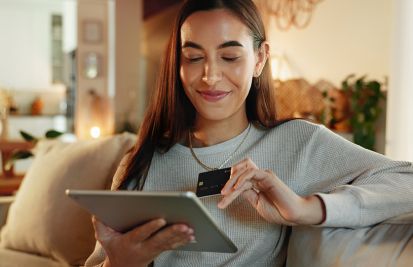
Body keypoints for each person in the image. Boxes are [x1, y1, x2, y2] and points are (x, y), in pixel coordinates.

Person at [85, 0, 413, 266]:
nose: (210, 76)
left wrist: (305, 208)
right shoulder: (142, 161)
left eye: (229, 56)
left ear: (260, 59)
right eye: (194, 57)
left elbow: (407, 181)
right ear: (178, 65)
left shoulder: (298, 142)